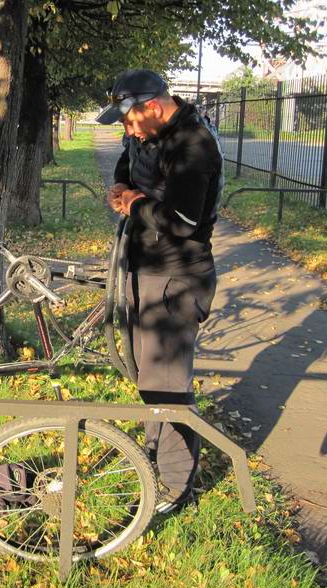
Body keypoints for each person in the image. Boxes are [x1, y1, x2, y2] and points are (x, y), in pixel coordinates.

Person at [95, 69, 223, 513]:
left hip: (175, 275)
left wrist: (134, 204)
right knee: (148, 377)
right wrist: (120, 186)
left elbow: (183, 222)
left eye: (129, 120)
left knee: (167, 384)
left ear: (152, 106)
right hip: (142, 266)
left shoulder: (193, 144)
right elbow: (127, 165)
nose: (127, 131)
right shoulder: (146, 133)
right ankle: (154, 458)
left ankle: (172, 489)